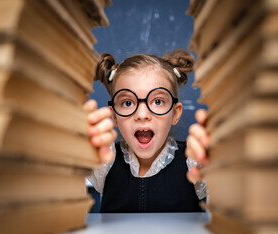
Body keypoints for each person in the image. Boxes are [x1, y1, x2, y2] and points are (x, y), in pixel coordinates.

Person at [84, 49, 209, 213]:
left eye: (158, 101)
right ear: (114, 115)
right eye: (128, 103)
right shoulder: (104, 161)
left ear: (175, 113)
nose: (142, 115)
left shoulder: (193, 161)